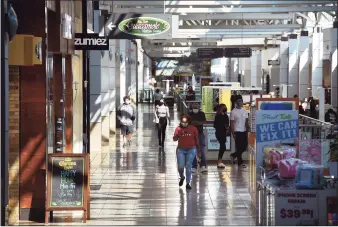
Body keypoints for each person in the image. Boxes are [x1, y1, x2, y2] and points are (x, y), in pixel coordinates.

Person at [173, 114, 200, 190]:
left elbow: (197, 140)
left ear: (188, 121)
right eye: (182, 122)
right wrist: (177, 135)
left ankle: (188, 182)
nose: (184, 123)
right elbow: (174, 139)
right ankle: (182, 176)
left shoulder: (193, 129)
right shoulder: (178, 129)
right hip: (180, 150)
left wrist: (199, 150)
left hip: (191, 149)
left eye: (185, 122)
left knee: (188, 165)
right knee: (180, 167)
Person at [230, 96, 249, 167]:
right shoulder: (233, 112)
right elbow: (231, 123)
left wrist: (247, 129)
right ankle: (240, 162)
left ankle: (233, 155)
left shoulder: (245, 111)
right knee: (239, 147)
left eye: (241, 101)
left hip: (244, 131)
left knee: (244, 147)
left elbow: (246, 122)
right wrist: (233, 133)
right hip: (237, 131)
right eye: (238, 101)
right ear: (236, 102)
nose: (240, 102)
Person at [188, 103, 208, 173]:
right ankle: (194, 166)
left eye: (196, 107)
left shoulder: (202, 114)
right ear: (191, 108)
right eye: (194, 107)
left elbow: (204, 121)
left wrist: (196, 123)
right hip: (192, 135)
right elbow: (188, 123)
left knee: (202, 150)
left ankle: (203, 165)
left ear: (199, 107)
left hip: (200, 134)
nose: (195, 108)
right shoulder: (189, 114)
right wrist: (197, 123)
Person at [213, 104, 230, 168]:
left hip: (223, 133)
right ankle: (219, 162)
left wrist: (226, 128)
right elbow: (215, 125)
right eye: (224, 107)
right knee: (223, 147)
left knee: (223, 147)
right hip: (219, 133)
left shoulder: (225, 116)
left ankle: (219, 161)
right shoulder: (218, 116)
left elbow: (227, 124)